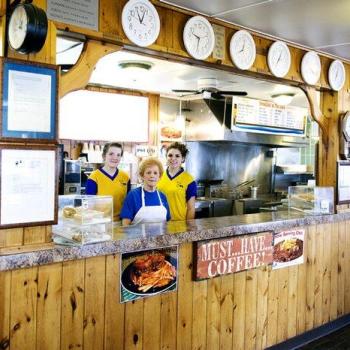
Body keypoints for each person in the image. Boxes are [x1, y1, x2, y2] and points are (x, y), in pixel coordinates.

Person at [86, 142, 130, 221]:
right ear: (104, 156)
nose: (115, 157)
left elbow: (128, 203)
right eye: (111, 154)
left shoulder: (125, 177)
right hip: (100, 223)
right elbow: (89, 207)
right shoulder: (94, 177)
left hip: (121, 223)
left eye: (118, 155)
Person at [120, 157, 171, 225]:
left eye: (155, 173)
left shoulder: (163, 196)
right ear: (142, 175)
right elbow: (125, 223)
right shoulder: (133, 195)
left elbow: (167, 222)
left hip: (161, 235)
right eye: (148, 173)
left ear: (159, 176)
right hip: (137, 236)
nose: (152, 176)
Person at [157, 142, 197, 221]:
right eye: (170, 155)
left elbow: (191, 209)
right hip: (160, 224)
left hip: (179, 225)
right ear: (166, 157)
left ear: (183, 158)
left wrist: (188, 229)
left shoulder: (189, 180)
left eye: (177, 156)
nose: (173, 158)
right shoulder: (158, 176)